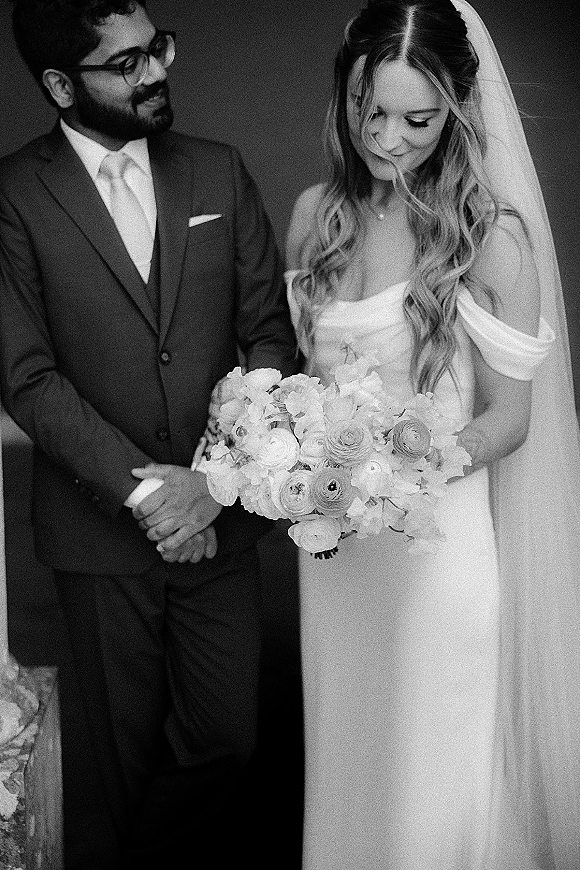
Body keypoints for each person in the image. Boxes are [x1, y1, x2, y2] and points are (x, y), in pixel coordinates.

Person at [0, 1, 297, 867]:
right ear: (62, 84)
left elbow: (270, 339)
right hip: (98, 532)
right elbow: (26, 377)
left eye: (155, 48)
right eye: (124, 64)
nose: (156, 71)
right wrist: (147, 491)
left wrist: (210, 483)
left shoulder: (219, 170)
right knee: (115, 766)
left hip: (223, 520)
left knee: (228, 741)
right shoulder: (13, 195)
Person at [285, 1, 580, 868]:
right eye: (367, 111)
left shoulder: (491, 240)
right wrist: (284, 441)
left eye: (415, 119)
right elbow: (305, 386)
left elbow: (510, 419)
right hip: (337, 555)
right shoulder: (315, 215)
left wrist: (405, 464)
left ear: (456, 108)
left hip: (437, 550)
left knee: (428, 779)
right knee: (351, 762)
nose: (387, 139)